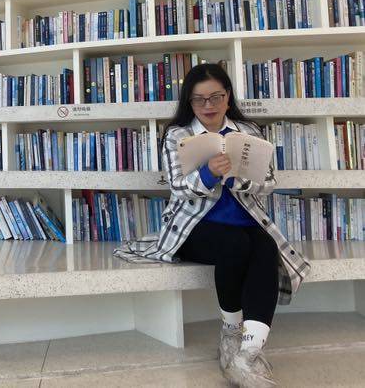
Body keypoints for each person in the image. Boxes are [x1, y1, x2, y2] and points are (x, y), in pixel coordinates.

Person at [114, 63, 310, 387]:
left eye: (216, 97)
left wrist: (235, 178)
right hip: (194, 226)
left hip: (247, 220)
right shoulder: (178, 134)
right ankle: (231, 333)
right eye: (199, 99)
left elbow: (268, 182)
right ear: (189, 102)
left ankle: (250, 352)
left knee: (265, 246)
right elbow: (178, 187)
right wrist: (209, 173)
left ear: (227, 96)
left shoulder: (248, 131)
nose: (208, 105)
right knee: (235, 245)